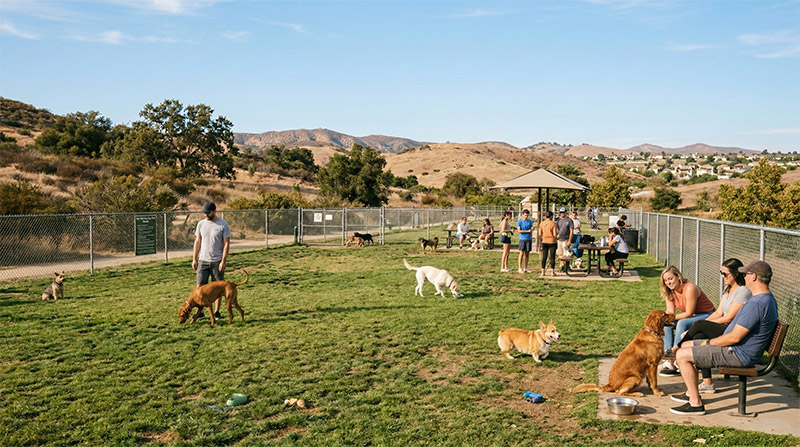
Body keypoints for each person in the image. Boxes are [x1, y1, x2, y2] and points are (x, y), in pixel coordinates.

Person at [670, 260, 778, 415]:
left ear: (754, 277)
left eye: (746, 274)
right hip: (739, 348)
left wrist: (707, 343)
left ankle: (695, 404)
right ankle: (692, 393)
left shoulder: (757, 304)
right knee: (686, 345)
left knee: (682, 354)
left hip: (739, 353)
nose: (744, 276)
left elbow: (733, 338)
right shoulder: (765, 299)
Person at [670, 258, 751, 393]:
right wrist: (704, 325)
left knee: (700, 324)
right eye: (721, 273)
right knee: (699, 335)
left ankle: (675, 349)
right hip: (725, 326)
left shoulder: (743, 292)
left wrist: (704, 324)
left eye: (725, 274)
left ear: (736, 274)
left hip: (732, 330)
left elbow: (729, 317)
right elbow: (719, 312)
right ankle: (707, 383)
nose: (722, 277)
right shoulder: (728, 290)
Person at [658, 265, 716, 376]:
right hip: (694, 315)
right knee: (667, 324)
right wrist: (664, 319)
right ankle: (669, 361)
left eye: (670, 279)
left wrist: (671, 318)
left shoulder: (690, 288)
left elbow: (689, 313)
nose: (668, 283)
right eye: (665, 281)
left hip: (708, 315)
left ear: (678, 277)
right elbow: (671, 312)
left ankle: (677, 356)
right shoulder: (669, 291)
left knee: (682, 322)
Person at [192, 201, 231, 320]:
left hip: (216, 261)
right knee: (200, 286)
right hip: (203, 260)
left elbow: (226, 244)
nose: (206, 214)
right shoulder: (201, 224)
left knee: (218, 288)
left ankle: (217, 313)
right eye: (204, 212)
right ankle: (201, 312)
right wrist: (194, 258)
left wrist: (223, 261)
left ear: (214, 211)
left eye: (208, 212)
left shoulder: (223, 225)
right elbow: (197, 241)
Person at [538, 210, 557, 276]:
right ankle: (552, 272)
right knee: (552, 257)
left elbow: (540, 234)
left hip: (544, 240)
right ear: (551, 216)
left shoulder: (542, 223)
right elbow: (555, 234)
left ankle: (543, 272)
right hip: (552, 241)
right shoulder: (553, 223)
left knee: (544, 257)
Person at [555, 207, 574, 272]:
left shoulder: (569, 220)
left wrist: (569, 240)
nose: (562, 214)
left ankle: (567, 266)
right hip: (559, 239)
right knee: (560, 254)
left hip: (566, 239)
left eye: (563, 212)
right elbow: (557, 230)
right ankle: (562, 266)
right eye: (561, 212)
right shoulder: (558, 221)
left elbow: (571, 231)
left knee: (567, 254)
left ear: (565, 212)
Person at [516, 209, 534, 274]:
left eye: (527, 215)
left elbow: (531, 229)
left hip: (528, 239)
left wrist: (531, 232)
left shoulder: (529, 222)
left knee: (527, 254)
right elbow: (519, 231)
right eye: (525, 215)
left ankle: (526, 267)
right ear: (522, 215)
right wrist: (527, 231)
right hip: (522, 239)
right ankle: (520, 267)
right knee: (521, 253)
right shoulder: (520, 222)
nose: (526, 216)